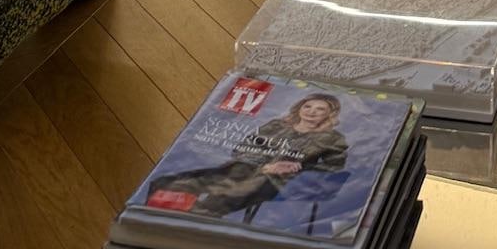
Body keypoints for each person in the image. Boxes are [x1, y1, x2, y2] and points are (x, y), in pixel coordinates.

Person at [145, 90, 348, 218]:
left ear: (329, 114)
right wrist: (265, 165)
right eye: (308, 106)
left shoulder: (333, 138)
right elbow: (242, 148)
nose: (311, 112)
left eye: (320, 109)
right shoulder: (277, 125)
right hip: (240, 170)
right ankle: (158, 220)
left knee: (213, 204)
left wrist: (300, 167)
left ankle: (186, 229)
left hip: (279, 182)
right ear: (299, 108)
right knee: (166, 183)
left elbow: (334, 167)